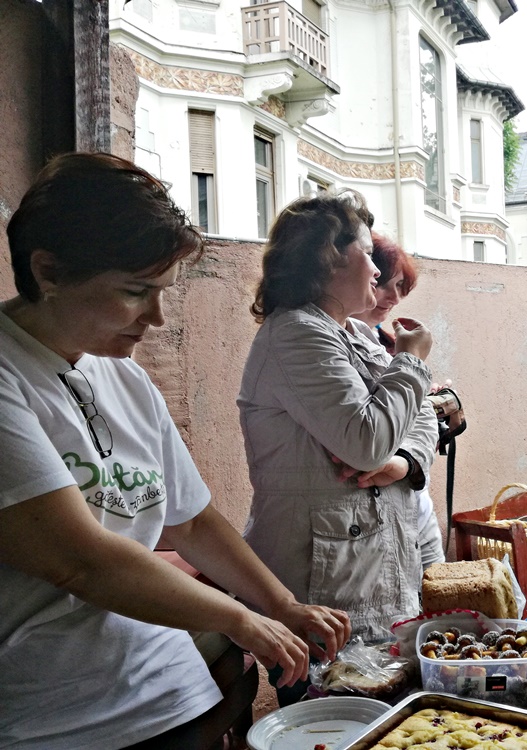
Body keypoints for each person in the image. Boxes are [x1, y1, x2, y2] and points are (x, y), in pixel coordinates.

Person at [0, 152, 351, 749]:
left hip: (172, 691)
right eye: (136, 292)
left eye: (162, 291)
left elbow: (193, 521)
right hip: (59, 720)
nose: (157, 318)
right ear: (49, 270)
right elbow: (80, 562)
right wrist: (242, 619)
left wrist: (283, 604)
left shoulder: (122, 377)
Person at [237, 189, 438, 700]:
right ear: (328, 258)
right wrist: (412, 361)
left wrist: (404, 461)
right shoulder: (297, 334)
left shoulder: (350, 332)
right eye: (367, 252)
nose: (376, 268)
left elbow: (421, 416)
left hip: (374, 577)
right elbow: (367, 440)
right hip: (326, 592)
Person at [352, 232, 446, 570]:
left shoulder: (390, 346)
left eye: (399, 286)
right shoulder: (332, 346)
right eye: (382, 283)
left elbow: (419, 421)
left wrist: (430, 403)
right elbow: (371, 432)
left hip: (417, 502)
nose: (392, 296)